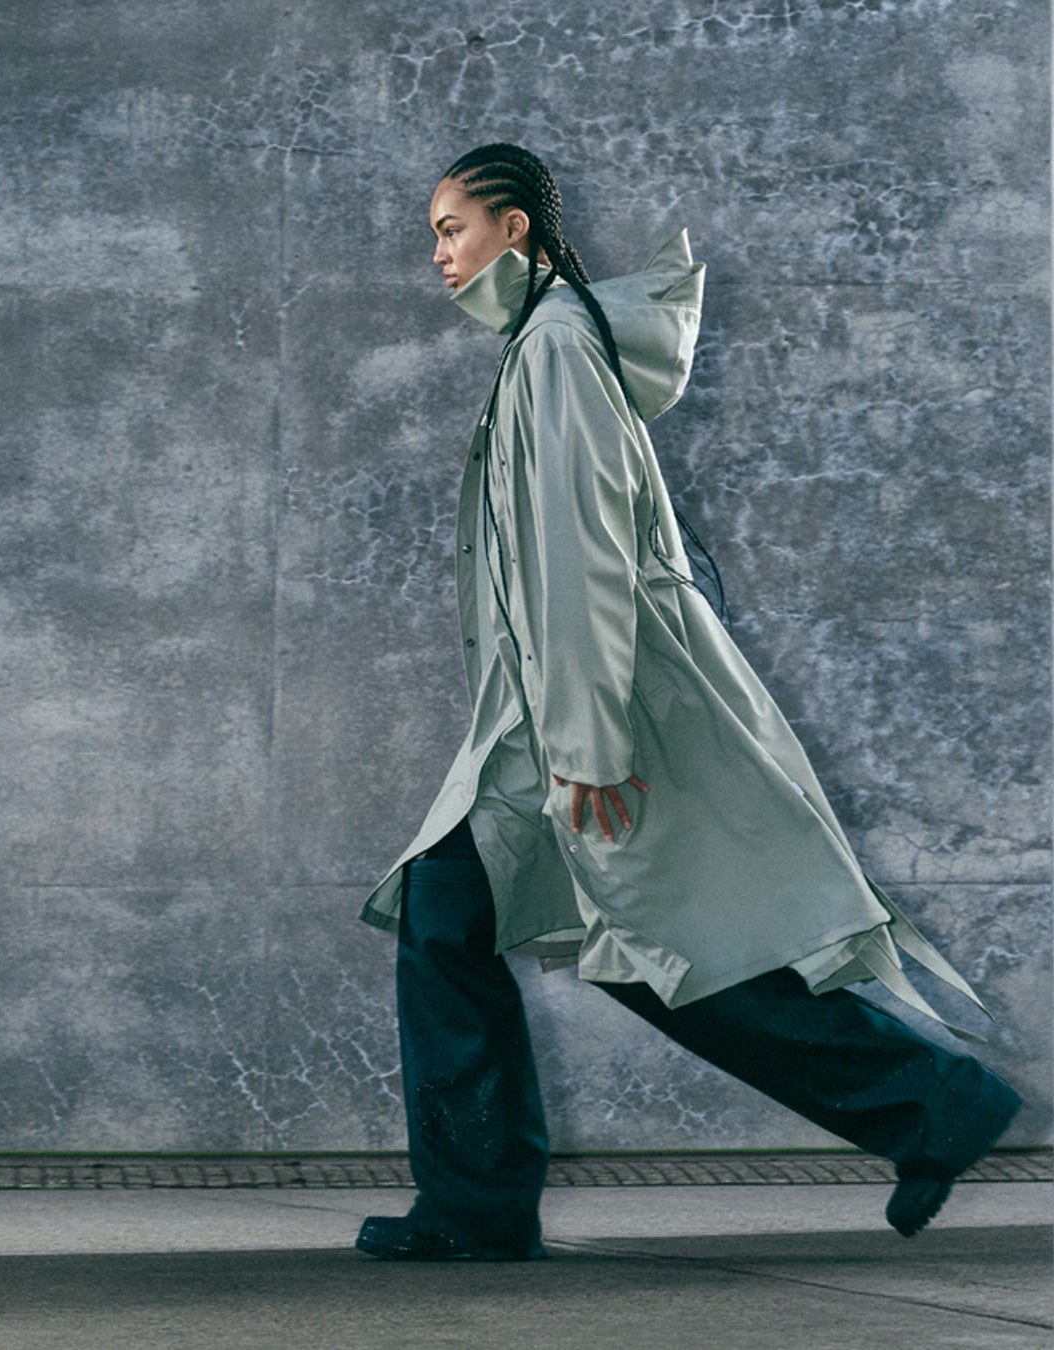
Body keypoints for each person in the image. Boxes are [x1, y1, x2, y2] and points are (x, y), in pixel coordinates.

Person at [354, 144, 1021, 1261]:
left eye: (452, 227)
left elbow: (583, 553)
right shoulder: (545, 343)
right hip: (544, 709)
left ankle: (926, 1102)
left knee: (622, 942)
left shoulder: (554, 347)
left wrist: (587, 743)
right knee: (491, 924)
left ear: (515, 230)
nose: (438, 253)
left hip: (576, 715)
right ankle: (924, 1105)